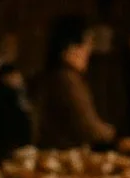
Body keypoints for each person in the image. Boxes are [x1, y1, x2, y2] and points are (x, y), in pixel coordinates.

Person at [34, 15, 116, 149]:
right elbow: (89, 127)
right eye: (85, 44)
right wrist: (120, 138)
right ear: (69, 47)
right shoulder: (67, 80)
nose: (88, 51)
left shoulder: (62, 77)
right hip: (64, 155)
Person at [0, 64, 32, 157]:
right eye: (14, 77)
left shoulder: (20, 103)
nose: (19, 80)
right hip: (4, 153)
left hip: (16, 154)